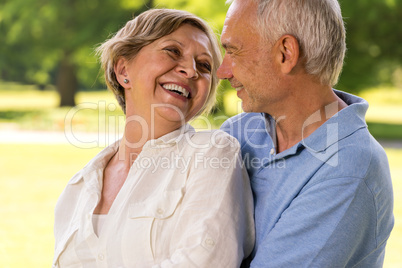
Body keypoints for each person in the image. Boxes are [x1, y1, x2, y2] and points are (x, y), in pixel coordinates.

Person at [53, 9, 254, 268]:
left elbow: (207, 260)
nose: (191, 71)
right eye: (173, 51)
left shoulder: (212, 153)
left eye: (204, 66)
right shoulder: (78, 188)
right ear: (123, 69)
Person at [218, 0, 394, 267]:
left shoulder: (351, 167)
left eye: (234, 51)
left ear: (286, 53)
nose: (223, 71)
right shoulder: (237, 132)